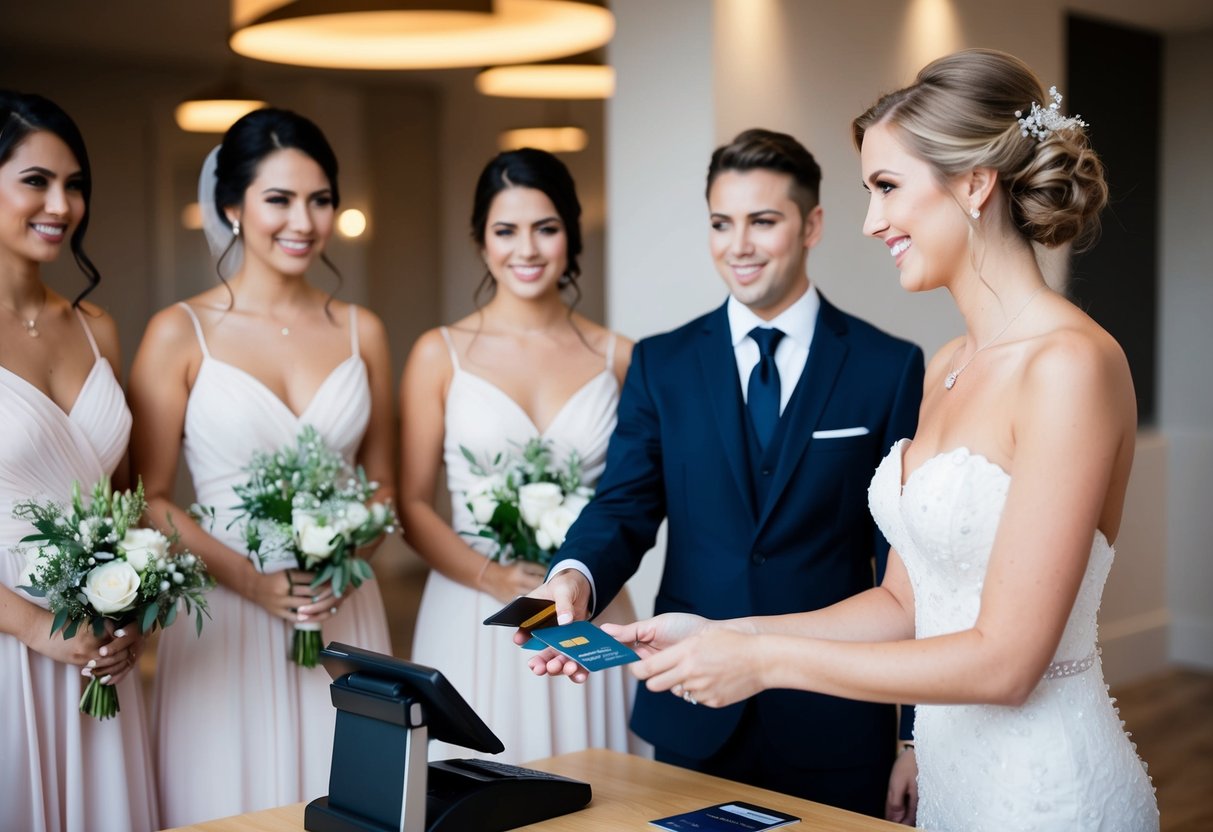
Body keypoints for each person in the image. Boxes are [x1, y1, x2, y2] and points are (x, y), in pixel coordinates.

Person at [594, 50, 1160, 831]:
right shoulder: (947, 366)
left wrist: (763, 662)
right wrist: (727, 634)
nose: (870, 223)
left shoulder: (1070, 366)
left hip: (1042, 792)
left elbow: (1005, 661)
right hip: (953, 783)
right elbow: (903, 601)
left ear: (972, 183)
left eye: (887, 188)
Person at [527, 129, 925, 819]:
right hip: (690, 707)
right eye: (721, 223)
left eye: (762, 221)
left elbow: (909, 564)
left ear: (812, 225)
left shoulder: (886, 367)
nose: (737, 245)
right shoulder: (662, 362)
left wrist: (916, 734)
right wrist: (576, 576)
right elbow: (624, 503)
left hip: (833, 717)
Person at [129, 108, 395, 826]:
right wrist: (251, 578)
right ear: (231, 206)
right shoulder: (177, 333)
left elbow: (385, 488)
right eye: (278, 199)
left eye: (319, 199)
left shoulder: (360, 329)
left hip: (342, 608)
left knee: (353, 800)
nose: (302, 221)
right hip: (226, 609)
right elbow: (148, 497)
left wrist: (344, 563)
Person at [401, 148, 640, 763]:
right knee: (474, 788)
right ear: (481, 241)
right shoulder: (439, 352)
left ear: (571, 236)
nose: (526, 249)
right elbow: (411, 503)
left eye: (546, 228)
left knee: (601, 785)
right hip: (474, 605)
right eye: (506, 230)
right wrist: (492, 576)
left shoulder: (620, 356)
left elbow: (636, 495)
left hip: (587, 606)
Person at [0, 90, 157, 832]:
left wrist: (132, 614)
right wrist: (34, 629)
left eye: (75, 184)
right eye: (36, 180)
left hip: (96, 653)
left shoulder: (98, 327)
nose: (62, 204)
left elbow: (124, 503)